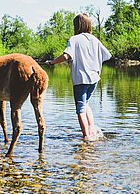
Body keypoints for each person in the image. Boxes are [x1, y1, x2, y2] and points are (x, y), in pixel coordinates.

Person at [47, 13, 111, 141]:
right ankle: (92, 128)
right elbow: (107, 55)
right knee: (85, 103)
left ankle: (86, 136)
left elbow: (66, 56)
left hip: (81, 79)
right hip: (94, 79)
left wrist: (52, 62)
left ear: (77, 26)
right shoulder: (95, 40)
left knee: (80, 108)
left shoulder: (74, 39)